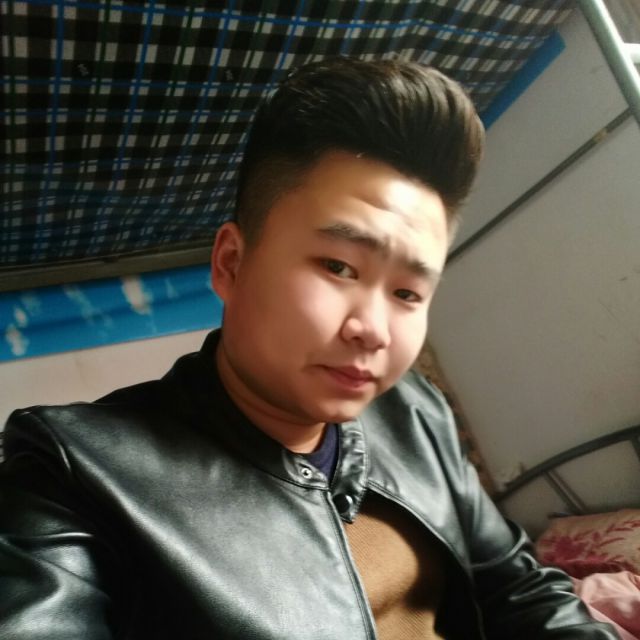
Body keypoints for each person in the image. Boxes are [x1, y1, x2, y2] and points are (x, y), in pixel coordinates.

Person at [0, 58, 618, 639]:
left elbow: (517, 587)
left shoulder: (416, 411)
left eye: (408, 292)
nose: (374, 329)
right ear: (231, 263)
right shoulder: (71, 473)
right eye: (338, 266)